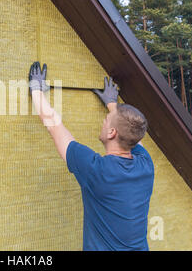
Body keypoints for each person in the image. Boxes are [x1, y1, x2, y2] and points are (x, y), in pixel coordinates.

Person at [29, 61, 154, 251]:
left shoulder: (97, 170)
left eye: (106, 122)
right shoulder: (146, 165)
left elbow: (54, 126)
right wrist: (113, 106)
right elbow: (134, 135)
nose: (103, 123)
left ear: (112, 132)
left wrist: (36, 90)